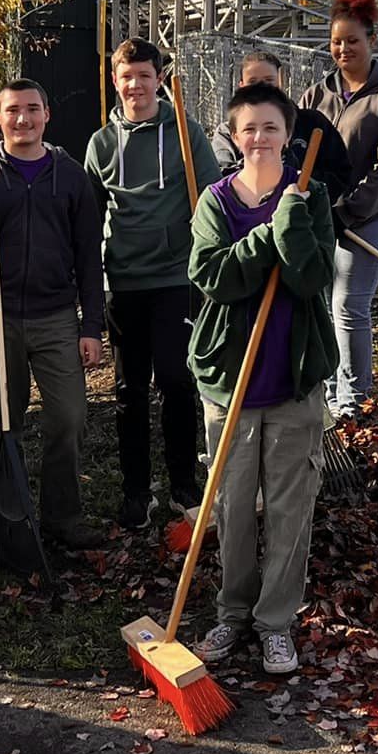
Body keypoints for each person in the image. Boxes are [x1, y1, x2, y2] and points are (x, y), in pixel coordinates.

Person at [187, 81, 338, 676]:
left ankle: (276, 622)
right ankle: (232, 612)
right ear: (233, 134)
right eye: (248, 128)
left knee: (289, 506)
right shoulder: (215, 202)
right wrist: (267, 234)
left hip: (292, 378)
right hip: (230, 380)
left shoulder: (312, 196)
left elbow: (312, 278)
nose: (259, 139)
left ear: (288, 134)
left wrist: (292, 223)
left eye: (270, 128)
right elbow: (211, 275)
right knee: (230, 505)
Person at [0, 79, 109, 553]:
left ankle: (62, 515)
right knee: (2, 424)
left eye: (32, 109)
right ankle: (10, 519)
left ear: (46, 116)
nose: (23, 119)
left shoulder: (69, 174)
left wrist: (91, 325)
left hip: (56, 314)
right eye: (13, 110)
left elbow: (88, 254)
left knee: (69, 416)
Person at [83, 38, 220, 528]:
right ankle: (136, 490)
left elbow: (209, 198)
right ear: (115, 81)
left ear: (159, 78)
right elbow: (88, 216)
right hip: (124, 280)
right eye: (127, 76)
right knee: (128, 388)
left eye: (145, 75)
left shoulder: (186, 131)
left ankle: (183, 481)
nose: (136, 85)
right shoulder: (100, 144)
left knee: (178, 380)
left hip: (173, 277)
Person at [300, 0, 378, 417]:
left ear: (372, 40)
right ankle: (328, 390)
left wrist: (348, 211)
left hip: (367, 217)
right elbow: (298, 151)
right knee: (322, 301)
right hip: (321, 217)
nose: (344, 49)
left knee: (348, 306)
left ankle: (354, 400)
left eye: (353, 40)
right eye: (337, 41)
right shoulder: (317, 94)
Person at [209, 49, 352, 202]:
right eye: (253, 82)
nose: (261, 89)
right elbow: (221, 178)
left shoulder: (312, 123)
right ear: (241, 86)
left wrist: (298, 181)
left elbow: (340, 176)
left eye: (268, 81)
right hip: (248, 218)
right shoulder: (226, 133)